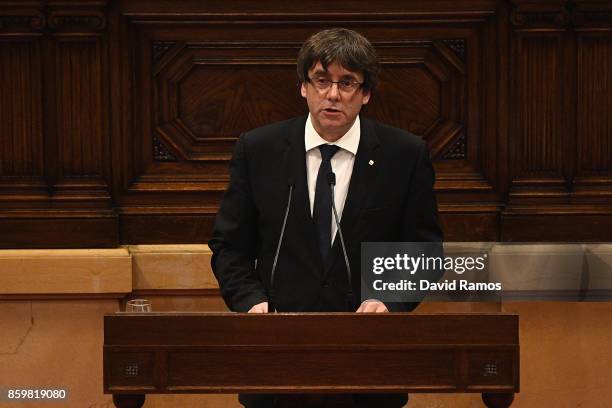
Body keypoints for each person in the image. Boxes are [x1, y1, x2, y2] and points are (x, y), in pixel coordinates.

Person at [209, 28, 443, 408]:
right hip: (276, 357)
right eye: (322, 80)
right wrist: (251, 302)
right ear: (304, 87)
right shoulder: (259, 149)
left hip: (368, 366)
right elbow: (229, 247)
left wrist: (388, 301)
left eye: (347, 82)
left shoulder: (404, 155)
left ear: (365, 94)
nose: (332, 94)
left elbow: (424, 249)